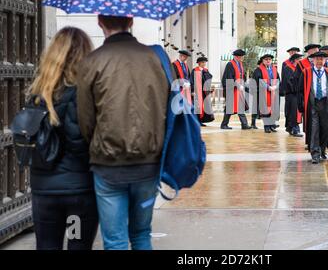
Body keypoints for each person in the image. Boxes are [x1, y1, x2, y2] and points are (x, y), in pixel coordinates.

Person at [77, 15, 169, 250]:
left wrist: (97, 144)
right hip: (148, 160)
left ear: (99, 22)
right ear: (131, 21)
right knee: (141, 234)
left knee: (115, 240)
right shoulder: (154, 57)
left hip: (108, 163)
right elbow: (166, 107)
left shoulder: (93, 60)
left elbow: (85, 119)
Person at [29, 27, 98, 250]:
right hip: (78, 193)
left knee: (47, 245)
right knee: (77, 244)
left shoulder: (37, 94)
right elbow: (82, 142)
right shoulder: (85, 92)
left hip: (45, 193)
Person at [297, 51, 328, 164]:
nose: (319, 61)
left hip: (326, 103)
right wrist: (301, 105)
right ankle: (315, 153)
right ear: (313, 60)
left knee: (325, 129)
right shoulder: (306, 73)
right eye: (317, 59)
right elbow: (300, 91)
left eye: (322, 59)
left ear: (325, 60)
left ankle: (322, 149)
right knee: (314, 129)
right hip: (313, 104)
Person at [221, 49, 251, 130]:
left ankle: (244, 124)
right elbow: (229, 77)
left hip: (238, 90)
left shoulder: (240, 64)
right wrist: (237, 85)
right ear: (237, 57)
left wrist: (243, 85)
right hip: (232, 89)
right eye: (241, 57)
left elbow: (242, 76)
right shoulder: (230, 64)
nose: (242, 58)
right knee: (230, 107)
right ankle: (224, 124)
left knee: (240, 106)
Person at [252, 54, 280, 133]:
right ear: (263, 61)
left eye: (269, 59)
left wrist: (275, 86)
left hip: (273, 92)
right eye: (266, 59)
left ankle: (271, 125)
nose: (268, 61)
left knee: (272, 110)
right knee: (265, 110)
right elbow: (259, 80)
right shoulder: (258, 70)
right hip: (263, 93)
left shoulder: (274, 69)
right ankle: (266, 126)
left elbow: (278, 79)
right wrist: (268, 87)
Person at [280, 53, 303, 137]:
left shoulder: (299, 68)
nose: (301, 61)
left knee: (296, 112)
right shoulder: (288, 69)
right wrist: (296, 89)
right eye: (299, 59)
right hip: (291, 94)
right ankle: (293, 129)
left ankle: (294, 128)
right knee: (292, 112)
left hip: (297, 94)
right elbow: (288, 82)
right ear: (295, 60)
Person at [191, 56, 215, 126]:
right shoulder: (195, 70)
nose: (204, 64)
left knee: (204, 107)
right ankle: (197, 121)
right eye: (203, 62)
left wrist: (210, 88)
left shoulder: (206, 70)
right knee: (197, 107)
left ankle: (201, 121)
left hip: (204, 92)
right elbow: (191, 81)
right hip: (197, 92)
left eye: (205, 62)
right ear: (199, 63)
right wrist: (192, 91)